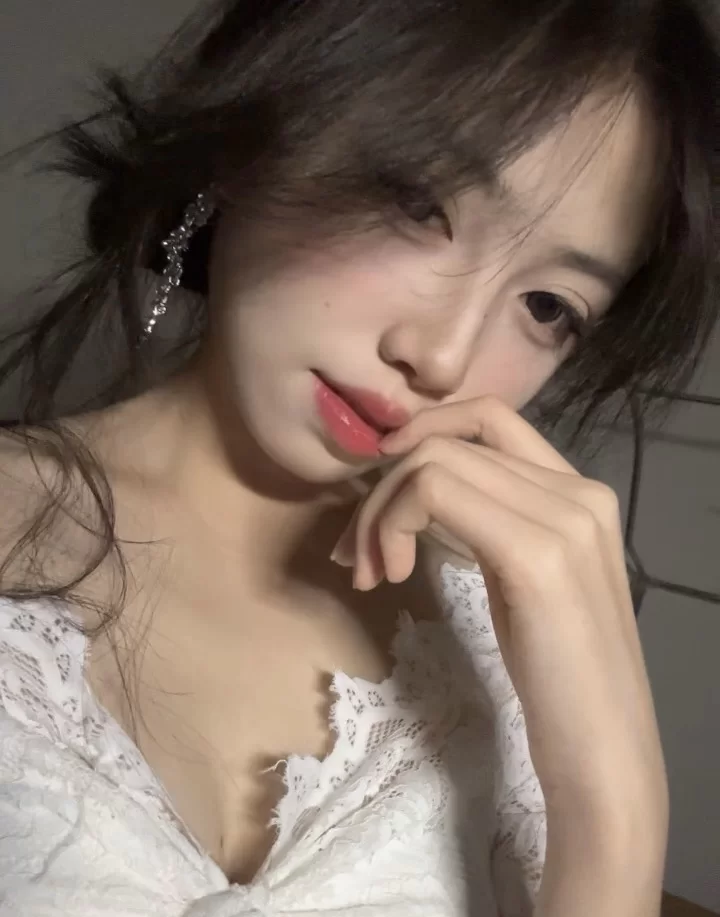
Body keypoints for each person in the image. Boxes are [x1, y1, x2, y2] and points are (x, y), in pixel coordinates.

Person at [0, 0, 717, 914]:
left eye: (548, 307)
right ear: (253, 138)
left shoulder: (506, 632)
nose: (443, 357)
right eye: (420, 203)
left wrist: (614, 810)